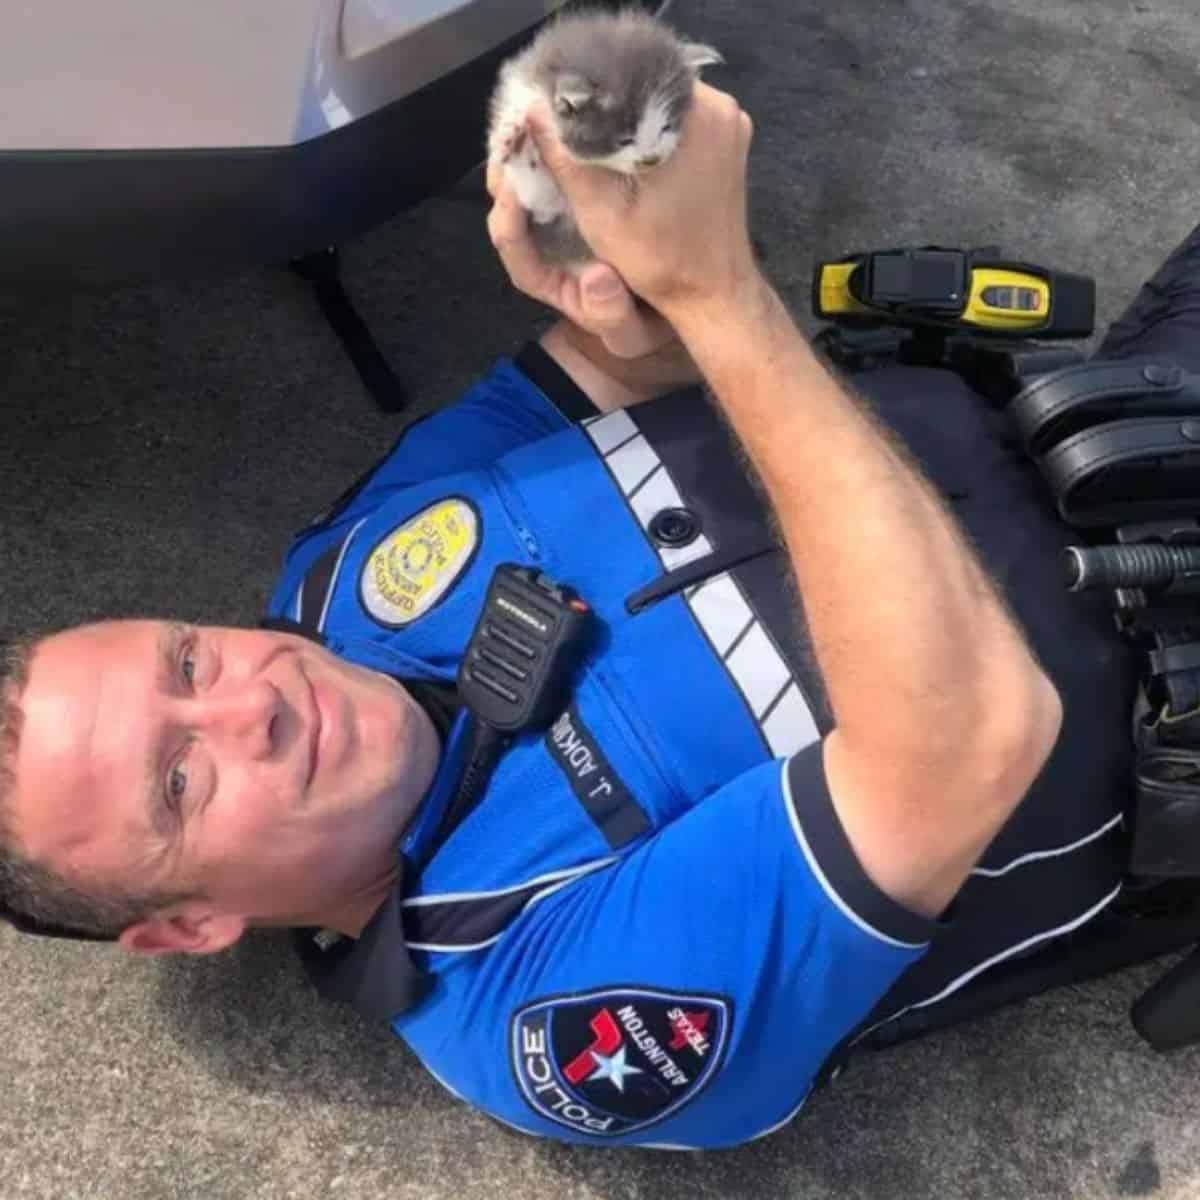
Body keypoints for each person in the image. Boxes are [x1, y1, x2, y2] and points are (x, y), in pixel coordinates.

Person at [1, 81, 1172, 1148]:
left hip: (1130, 409)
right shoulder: (532, 1001)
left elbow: (627, 365)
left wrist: (610, 268)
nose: (254, 699)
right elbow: (972, 738)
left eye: (189, 660)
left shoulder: (340, 574)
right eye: (178, 779)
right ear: (190, 925)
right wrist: (720, 298)